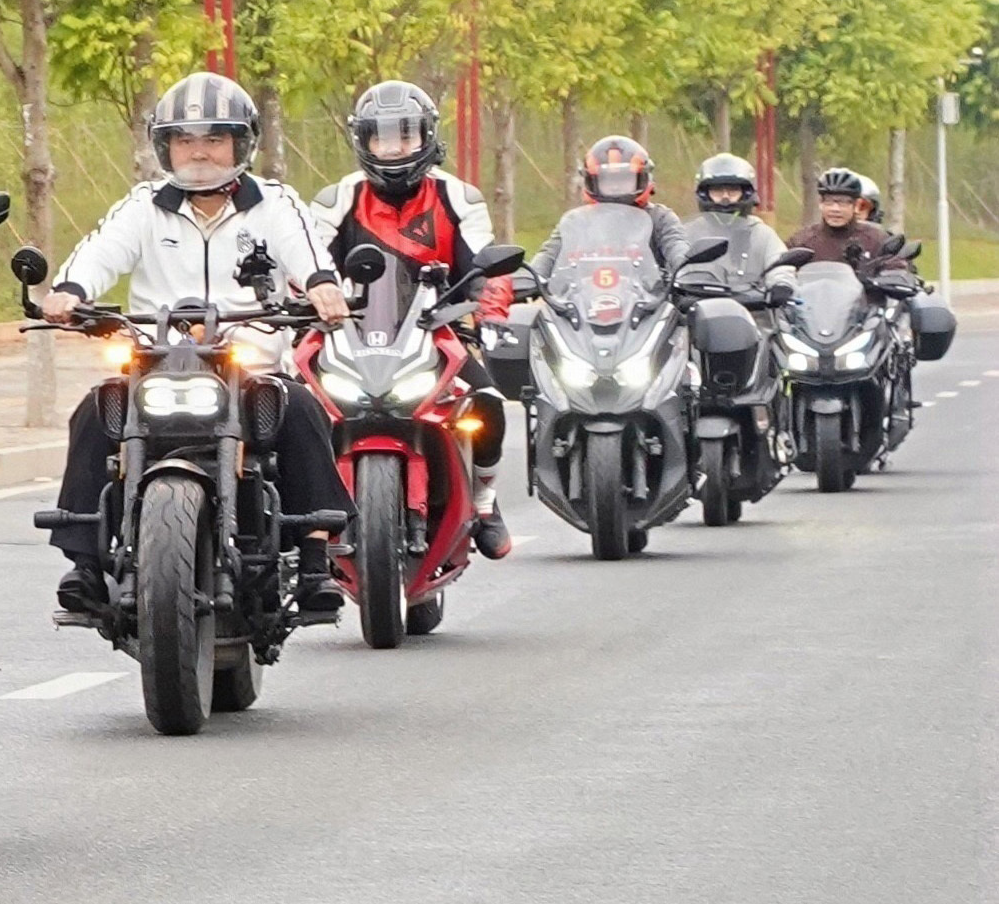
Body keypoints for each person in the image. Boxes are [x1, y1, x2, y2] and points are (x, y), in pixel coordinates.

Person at [35, 71, 351, 615]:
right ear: (165, 146)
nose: (198, 152)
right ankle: (84, 564)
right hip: (155, 364)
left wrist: (323, 287)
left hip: (248, 365)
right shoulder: (143, 205)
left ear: (241, 144)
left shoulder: (274, 204)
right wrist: (69, 292)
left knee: (302, 408)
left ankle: (316, 560)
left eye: (214, 138)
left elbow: (308, 254)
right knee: (94, 411)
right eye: (184, 139)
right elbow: (99, 253)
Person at [304, 80, 512, 557]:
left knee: (487, 402)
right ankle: (299, 516)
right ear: (363, 141)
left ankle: (484, 502)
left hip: (437, 326)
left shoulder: (458, 196)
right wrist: (302, 296)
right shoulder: (336, 199)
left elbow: (485, 268)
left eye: (405, 136)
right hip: (349, 331)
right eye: (381, 137)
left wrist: (489, 312)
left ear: (427, 137)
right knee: (292, 405)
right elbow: (307, 262)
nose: (394, 148)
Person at [532, 135, 687, 285]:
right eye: (607, 180)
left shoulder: (660, 218)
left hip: (650, 299)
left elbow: (677, 247)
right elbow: (548, 255)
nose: (615, 186)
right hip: (583, 300)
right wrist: (529, 277)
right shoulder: (576, 222)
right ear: (591, 182)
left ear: (643, 179)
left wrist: (687, 271)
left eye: (624, 179)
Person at [679, 152, 788, 287]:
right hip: (694, 299)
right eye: (717, 190)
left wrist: (782, 285)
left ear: (746, 193)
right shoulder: (686, 233)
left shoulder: (762, 234)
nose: (725, 197)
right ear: (705, 194)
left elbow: (781, 266)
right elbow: (671, 263)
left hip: (749, 300)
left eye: (733, 190)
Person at [791, 167, 905, 269]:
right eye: (829, 202)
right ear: (820, 203)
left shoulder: (877, 240)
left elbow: (898, 270)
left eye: (843, 203)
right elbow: (783, 272)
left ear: (856, 205)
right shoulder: (801, 242)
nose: (835, 209)